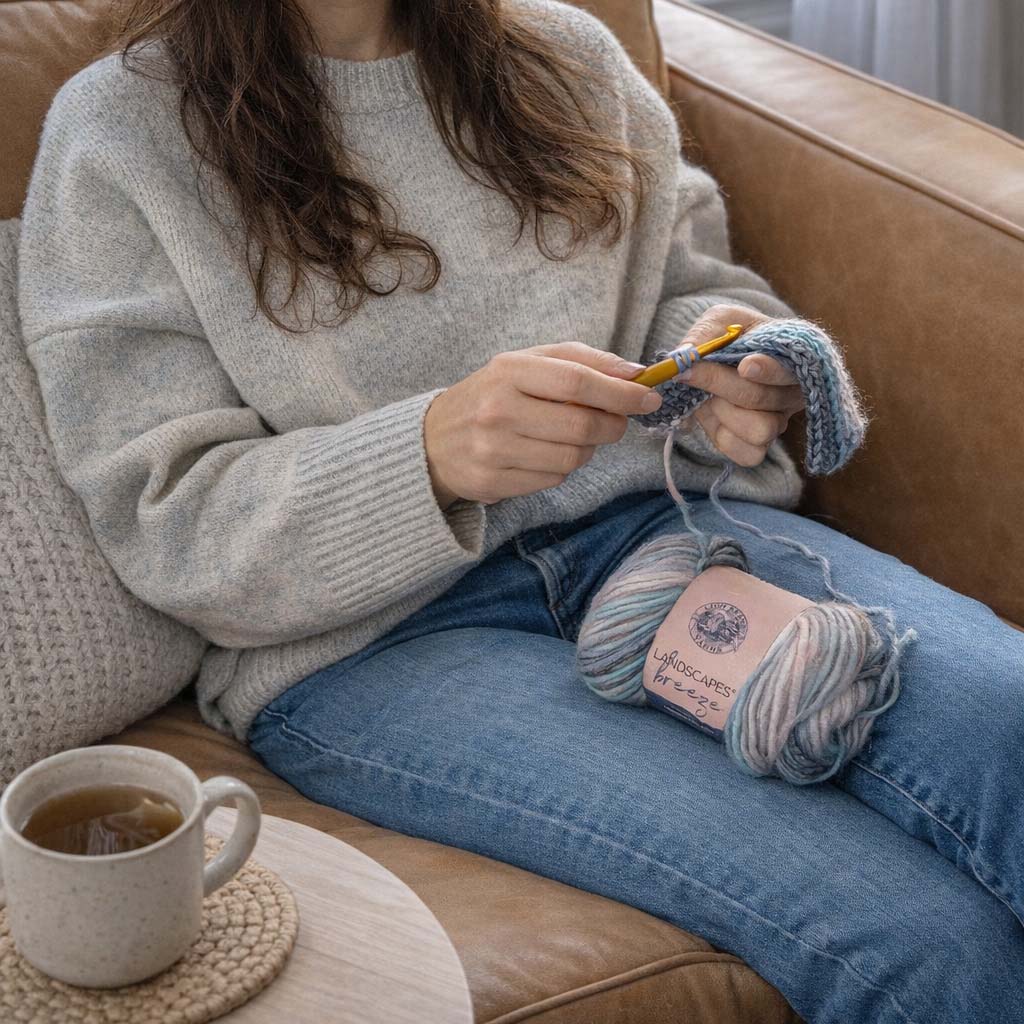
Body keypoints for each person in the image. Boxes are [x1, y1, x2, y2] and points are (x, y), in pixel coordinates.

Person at [17, 1, 1024, 1020]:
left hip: (656, 531)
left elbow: (687, 286)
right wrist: (426, 456)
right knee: (917, 939)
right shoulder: (123, 131)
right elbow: (168, 522)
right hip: (373, 646)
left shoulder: (568, 56)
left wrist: (727, 358)